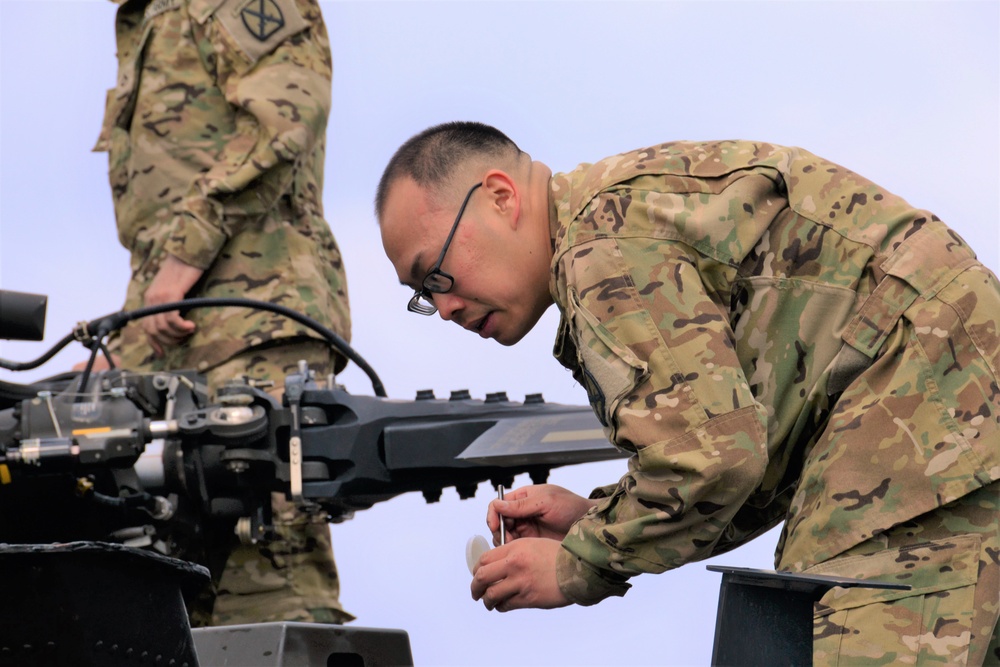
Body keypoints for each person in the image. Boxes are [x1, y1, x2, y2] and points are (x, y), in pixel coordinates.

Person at [376, 121, 1000, 665]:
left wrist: (580, 565)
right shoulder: (619, 218)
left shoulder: (600, 250)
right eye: (423, 296)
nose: (446, 305)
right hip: (950, 424)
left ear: (502, 198)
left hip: (925, 430)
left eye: (437, 272)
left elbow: (713, 459)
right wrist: (598, 519)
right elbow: (745, 455)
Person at [92, 0, 352, 627]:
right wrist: (121, 353)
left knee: (271, 589)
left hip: (253, 324)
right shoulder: (151, 18)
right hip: (175, 336)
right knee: (165, 601)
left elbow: (285, 118)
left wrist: (185, 254)